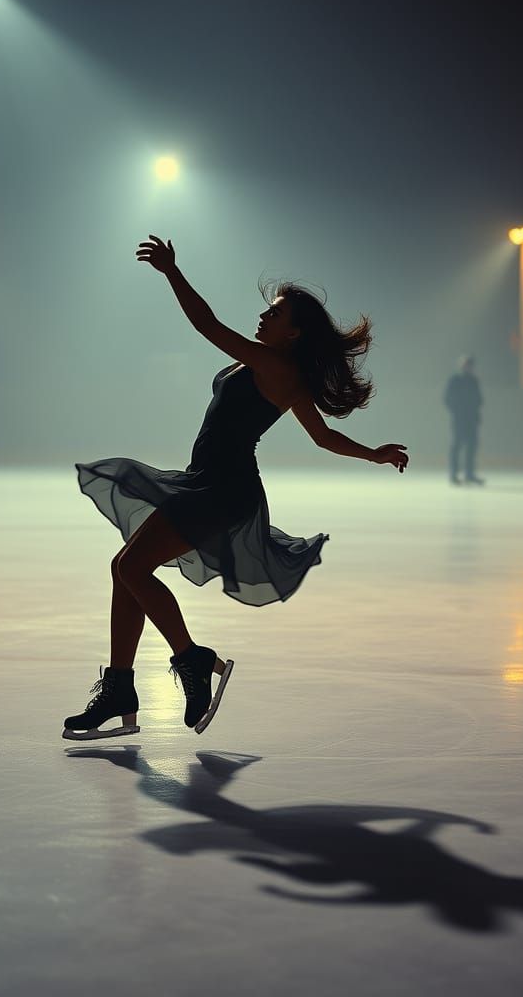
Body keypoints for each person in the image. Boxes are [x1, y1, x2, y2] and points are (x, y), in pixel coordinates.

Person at [64, 235, 409, 741]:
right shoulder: (271, 366)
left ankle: (190, 660)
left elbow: (206, 324)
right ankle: (121, 687)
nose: (265, 318)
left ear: (293, 334)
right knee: (128, 570)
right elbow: (324, 436)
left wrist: (172, 273)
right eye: (267, 312)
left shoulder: (275, 366)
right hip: (208, 483)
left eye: (275, 315)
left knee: (129, 566)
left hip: (222, 490)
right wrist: (372, 453)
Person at [444, 355, 484, 485]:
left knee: (471, 447)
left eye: (470, 365)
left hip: (471, 420)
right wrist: (457, 411)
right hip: (459, 419)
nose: (469, 367)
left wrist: (475, 414)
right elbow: (447, 398)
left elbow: (479, 399)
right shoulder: (455, 380)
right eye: (467, 364)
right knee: (456, 446)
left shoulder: (474, 381)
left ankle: (469, 474)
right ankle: (454, 474)